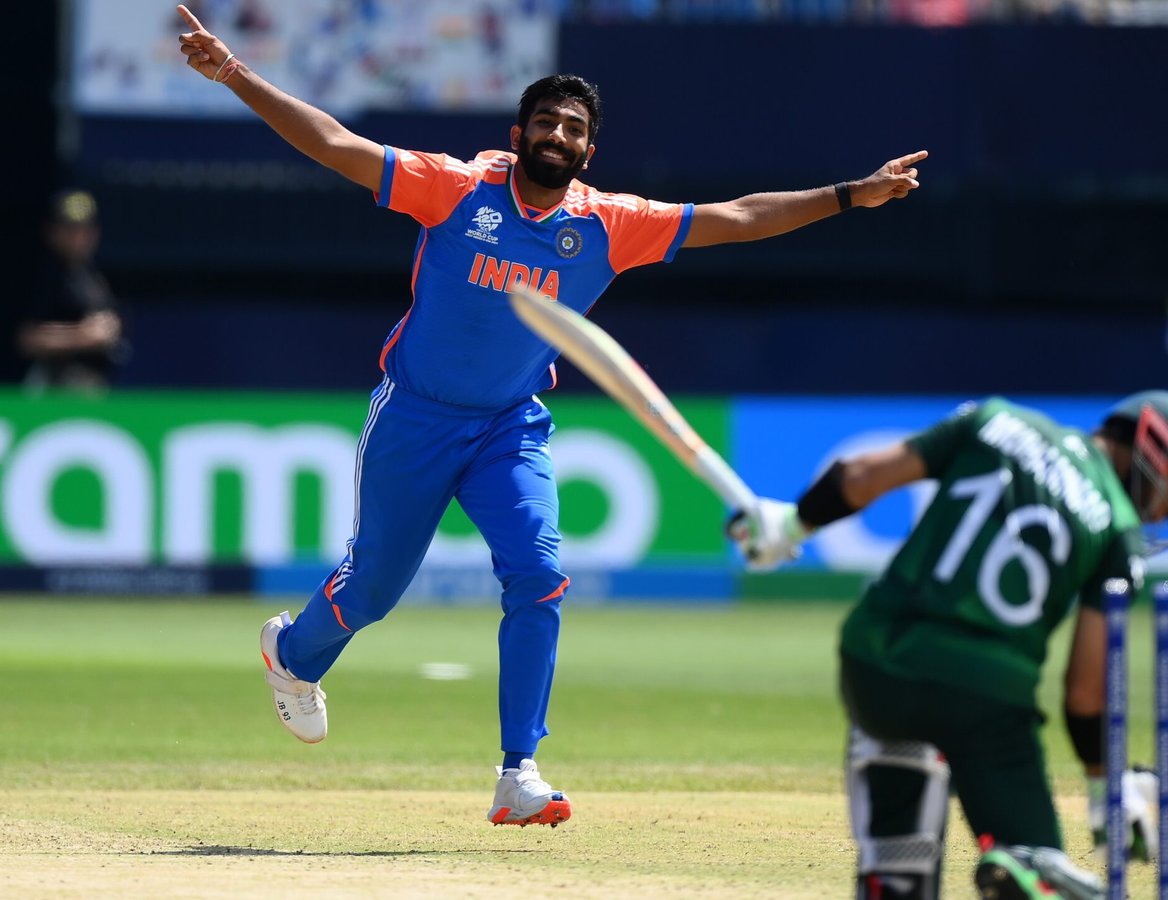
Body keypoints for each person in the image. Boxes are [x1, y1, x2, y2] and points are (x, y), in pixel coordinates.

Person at [173, 4, 928, 829]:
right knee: (375, 590)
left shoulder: (609, 225)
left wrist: (854, 194)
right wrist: (236, 75)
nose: (558, 135)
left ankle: (518, 770)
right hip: (416, 415)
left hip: (510, 426)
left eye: (573, 127)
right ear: (521, 130)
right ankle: (292, 653)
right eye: (546, 121)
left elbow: (741, 217)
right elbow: (337, 146)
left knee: (539, 578)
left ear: (587, 148)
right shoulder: (457, 187)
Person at [729, 391, 1168, 899]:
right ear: (1153, 449)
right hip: (984, 698)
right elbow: (1084, 693)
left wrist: (790, 524)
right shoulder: (1118, 531)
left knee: (896, 779)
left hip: (876, 662)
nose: (1160, 513)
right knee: (1039, 865)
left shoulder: (996, 421)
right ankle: (1026, 866)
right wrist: (1104, 787)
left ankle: (896, 872)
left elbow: (858, 478)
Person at [17, 189, 127, 394]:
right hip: (56, 384)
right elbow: (27, 339)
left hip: (90, 384)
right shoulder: (46, 276)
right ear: (51, 232)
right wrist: (84, 335)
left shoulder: (91, 275)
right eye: (70, 229)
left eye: (85, 229)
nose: (79, 237)